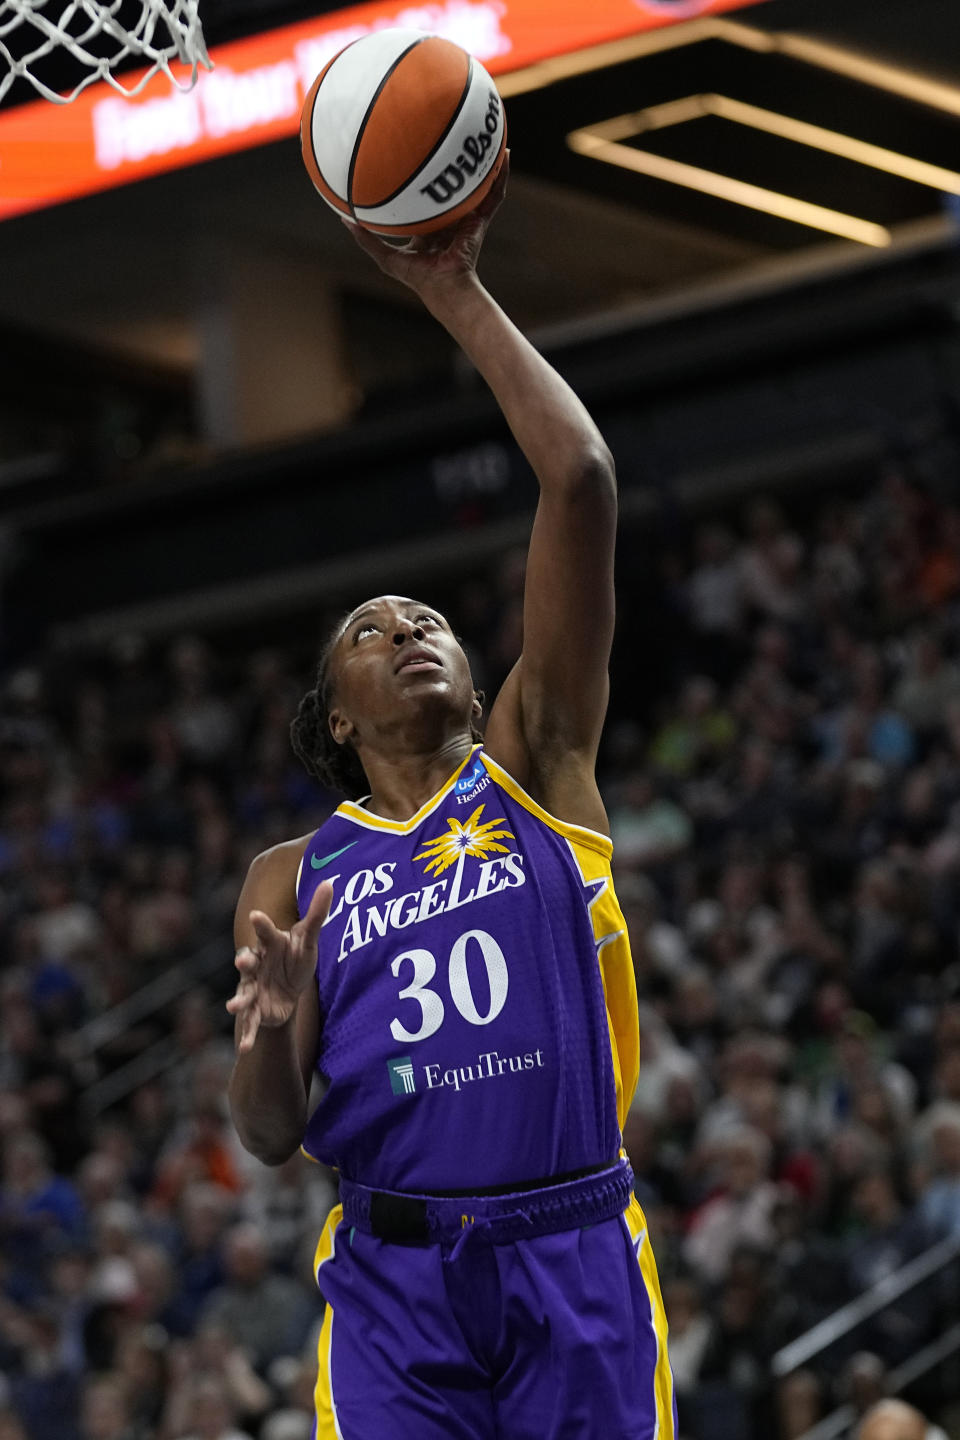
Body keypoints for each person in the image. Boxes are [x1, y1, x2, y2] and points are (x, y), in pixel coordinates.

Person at [226, 160, 675, 1439]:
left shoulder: (538, 759)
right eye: (372, 628)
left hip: (570, 1248)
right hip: (395, 1283)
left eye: (428, 618)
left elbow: (579, 478)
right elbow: (267, 1137)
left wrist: (453, 288)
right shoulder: (288, 876)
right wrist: (263, 1033)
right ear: (336, 717)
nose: (411, 626)